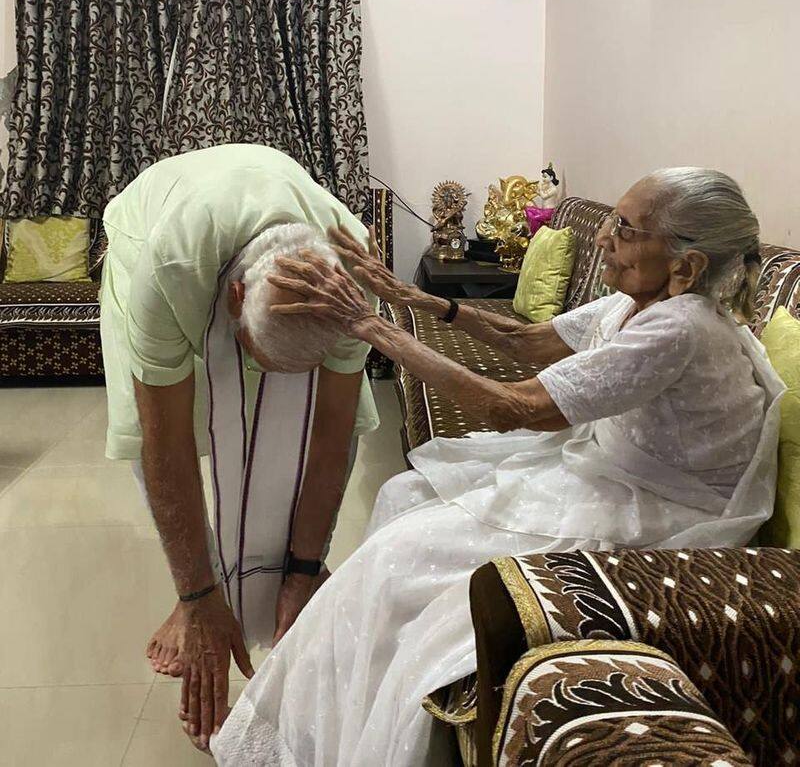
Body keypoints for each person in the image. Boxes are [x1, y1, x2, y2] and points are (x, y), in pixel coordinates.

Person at [212, 167, 784, 767]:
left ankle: (328, 739)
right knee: (404, 496)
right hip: (614, 471)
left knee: (395, 562)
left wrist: (369, 324)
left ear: (686, 267)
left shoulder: (681, 327)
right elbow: (533, 342)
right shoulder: (641, 302)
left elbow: (513, 406)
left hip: (662, 511)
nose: (602, 239)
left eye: (624, 229)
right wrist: (408, 297)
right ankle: (317, 728)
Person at [99, 143, 378, 752]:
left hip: (252, 251)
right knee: (165, 424)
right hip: (151, 231)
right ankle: (192, 597)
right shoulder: (167, 271)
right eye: (260, 360)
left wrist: (303, 569)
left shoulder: (352, 275)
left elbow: (330, 432)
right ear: (233, 305)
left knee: (346, 415)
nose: (269, 385)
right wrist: (199, 597)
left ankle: (284, 573)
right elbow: (166, 445)